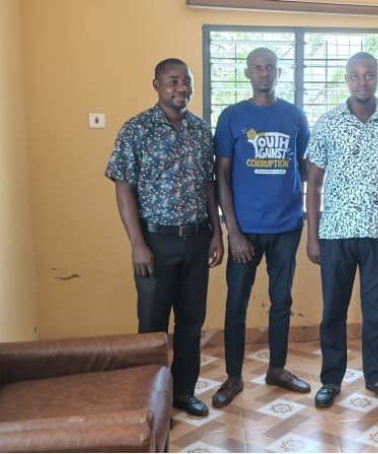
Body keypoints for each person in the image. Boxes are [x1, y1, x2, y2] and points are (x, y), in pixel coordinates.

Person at [104, 58, 224, 417]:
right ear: (156, 85)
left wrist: (217, 233)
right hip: (155, 244)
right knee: (152, 328)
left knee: (191, 323)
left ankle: (183, 393)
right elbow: (123, 187)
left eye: (186, 81)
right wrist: (137, 244)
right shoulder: (136, 129)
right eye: (173, 81)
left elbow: (209, 185)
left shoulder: (201, 130)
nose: (181, 88)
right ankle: (149, 401)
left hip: (197, 239)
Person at [304, 52, 378, 408]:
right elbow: (313, 183)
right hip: (336, 234)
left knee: (376, 313)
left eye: (369, 75)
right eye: (355, 75)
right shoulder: (328, 122)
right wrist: (313, 235)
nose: (362, 81)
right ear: (347, 79)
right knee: (333, 312)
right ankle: (331, 380)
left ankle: (376, 377)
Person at [211, 48, 311, 408]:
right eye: (257, 67)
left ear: (278, 73)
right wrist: (232, 231)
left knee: (282, 301)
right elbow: (221, 176)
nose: (264, 73)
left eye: (270, 67)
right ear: (247, 73)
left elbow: (303, 167)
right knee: (236, 302)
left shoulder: (295, 115)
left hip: (286, 226)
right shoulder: (232, 116)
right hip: (245, 230)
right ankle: (233, 377)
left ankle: (277, 369)